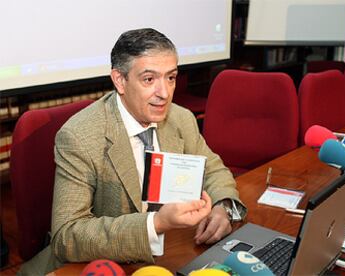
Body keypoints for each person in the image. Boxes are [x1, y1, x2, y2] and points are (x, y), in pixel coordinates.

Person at [19, 28, 246, 275]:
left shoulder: (181, 119)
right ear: (120, 80)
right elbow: (68, 236)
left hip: (171, 252)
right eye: (149, 79)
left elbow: (213, 169)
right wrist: (156, 223)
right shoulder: (79, 137)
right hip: (99, 264)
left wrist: (222, 208)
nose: (164, 93)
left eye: (171, 77)